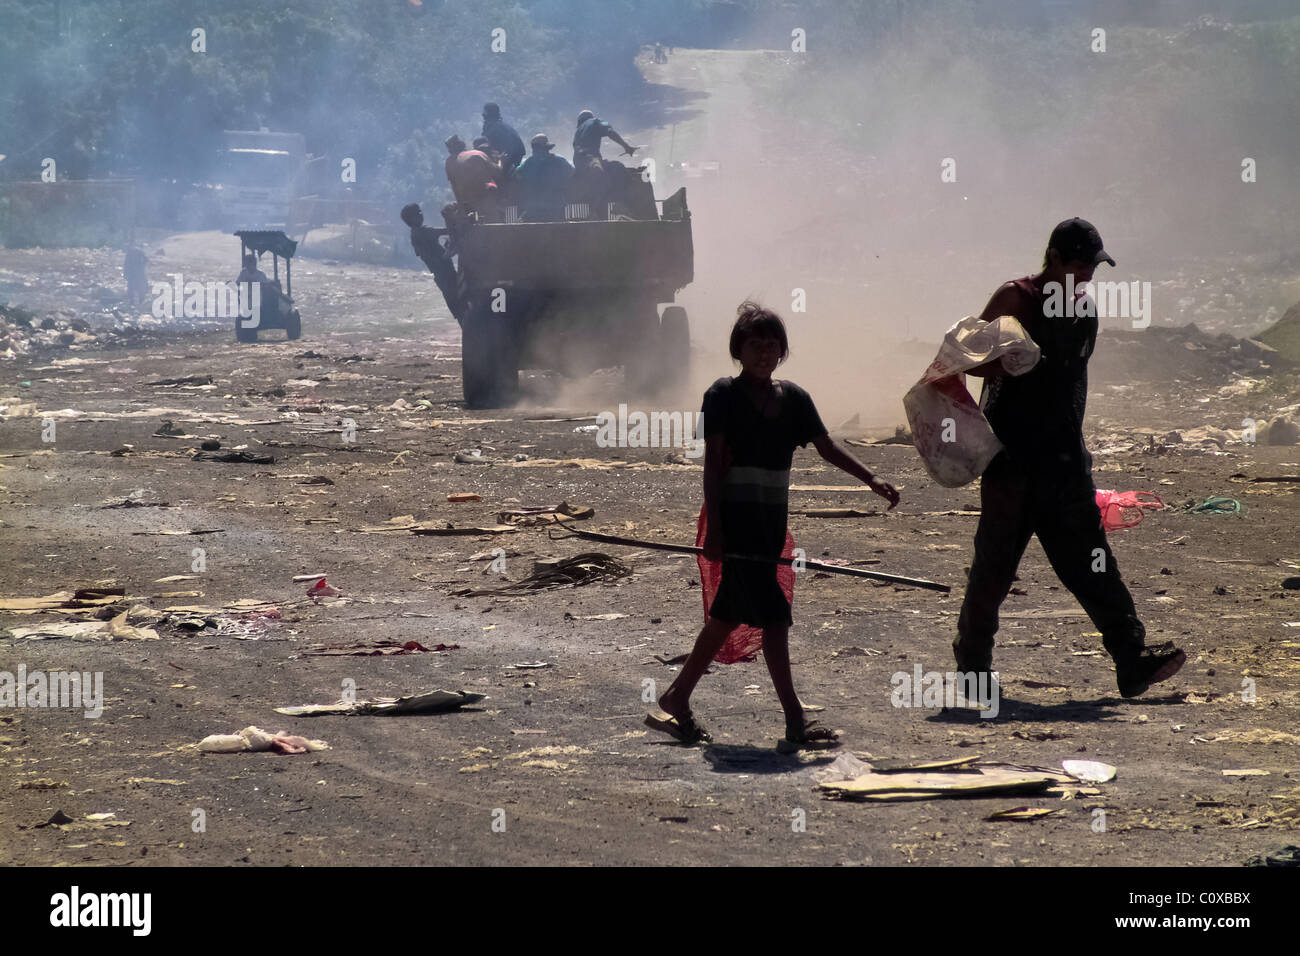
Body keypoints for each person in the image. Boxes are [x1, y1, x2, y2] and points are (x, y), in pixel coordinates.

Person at [648, 301, 901, 749]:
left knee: (728, 616)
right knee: (775, 618)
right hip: (737, 523)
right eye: (755, 344)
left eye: (772, 345)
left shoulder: (795, 400)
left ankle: (677, 697)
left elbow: (826, 447)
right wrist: (718, 533)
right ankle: (793, 720)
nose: (764, 353)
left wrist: (872, 478)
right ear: (738, 349)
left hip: (770, 524)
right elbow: (712, 467)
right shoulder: (722, 396)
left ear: (781, 351)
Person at [955, 218, 1185, 698]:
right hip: (1012, 463)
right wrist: (1002, 360)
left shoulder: (1084, 309)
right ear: (1054, 257)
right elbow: (969, 358)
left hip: (1064, 463)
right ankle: (974, 669)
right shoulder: (1015, 297)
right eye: (1079, 265)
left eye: (1093, 268)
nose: (1086, 276)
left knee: (1094, 563)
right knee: (994, 569)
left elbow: (1072, 386)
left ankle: (1132, 660)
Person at [400, 202, 465, 323]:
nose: (421, 215)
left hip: (442, 277)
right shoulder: (423, 232)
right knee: (463, 309)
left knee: (461, 312)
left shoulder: (415, 234)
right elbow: (446, 231)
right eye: (418, 213)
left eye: (420, 212)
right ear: (411, 219)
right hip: (446, 276)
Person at [515, 134, 574, 222]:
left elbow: (517, 174)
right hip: (556, 206)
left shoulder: (528, 162)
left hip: (535, 207)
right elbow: (572, 172)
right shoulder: (559, 160)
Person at [443, 134, 499, 217]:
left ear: (450, 151)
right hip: (485, 196)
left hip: (467, 202)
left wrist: (461, 208)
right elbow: (497, 172)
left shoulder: (449, 162)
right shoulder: (478, 154)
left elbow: (454, 187)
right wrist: (501, 160)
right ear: (463, 145)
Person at [572, 109, 637, 167]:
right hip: (593, 162)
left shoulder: (577, 132)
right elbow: (610, 132)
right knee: (618, 167)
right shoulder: (596, 121)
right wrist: (627, 147)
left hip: (578, 166)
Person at [481, 103, 525, 173]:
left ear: (488, 113)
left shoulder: (494, 128)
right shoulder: (500, 125)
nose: (483, 115)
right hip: (514, 156)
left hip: (510, 158)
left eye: (484, 112)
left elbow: (507, 147)